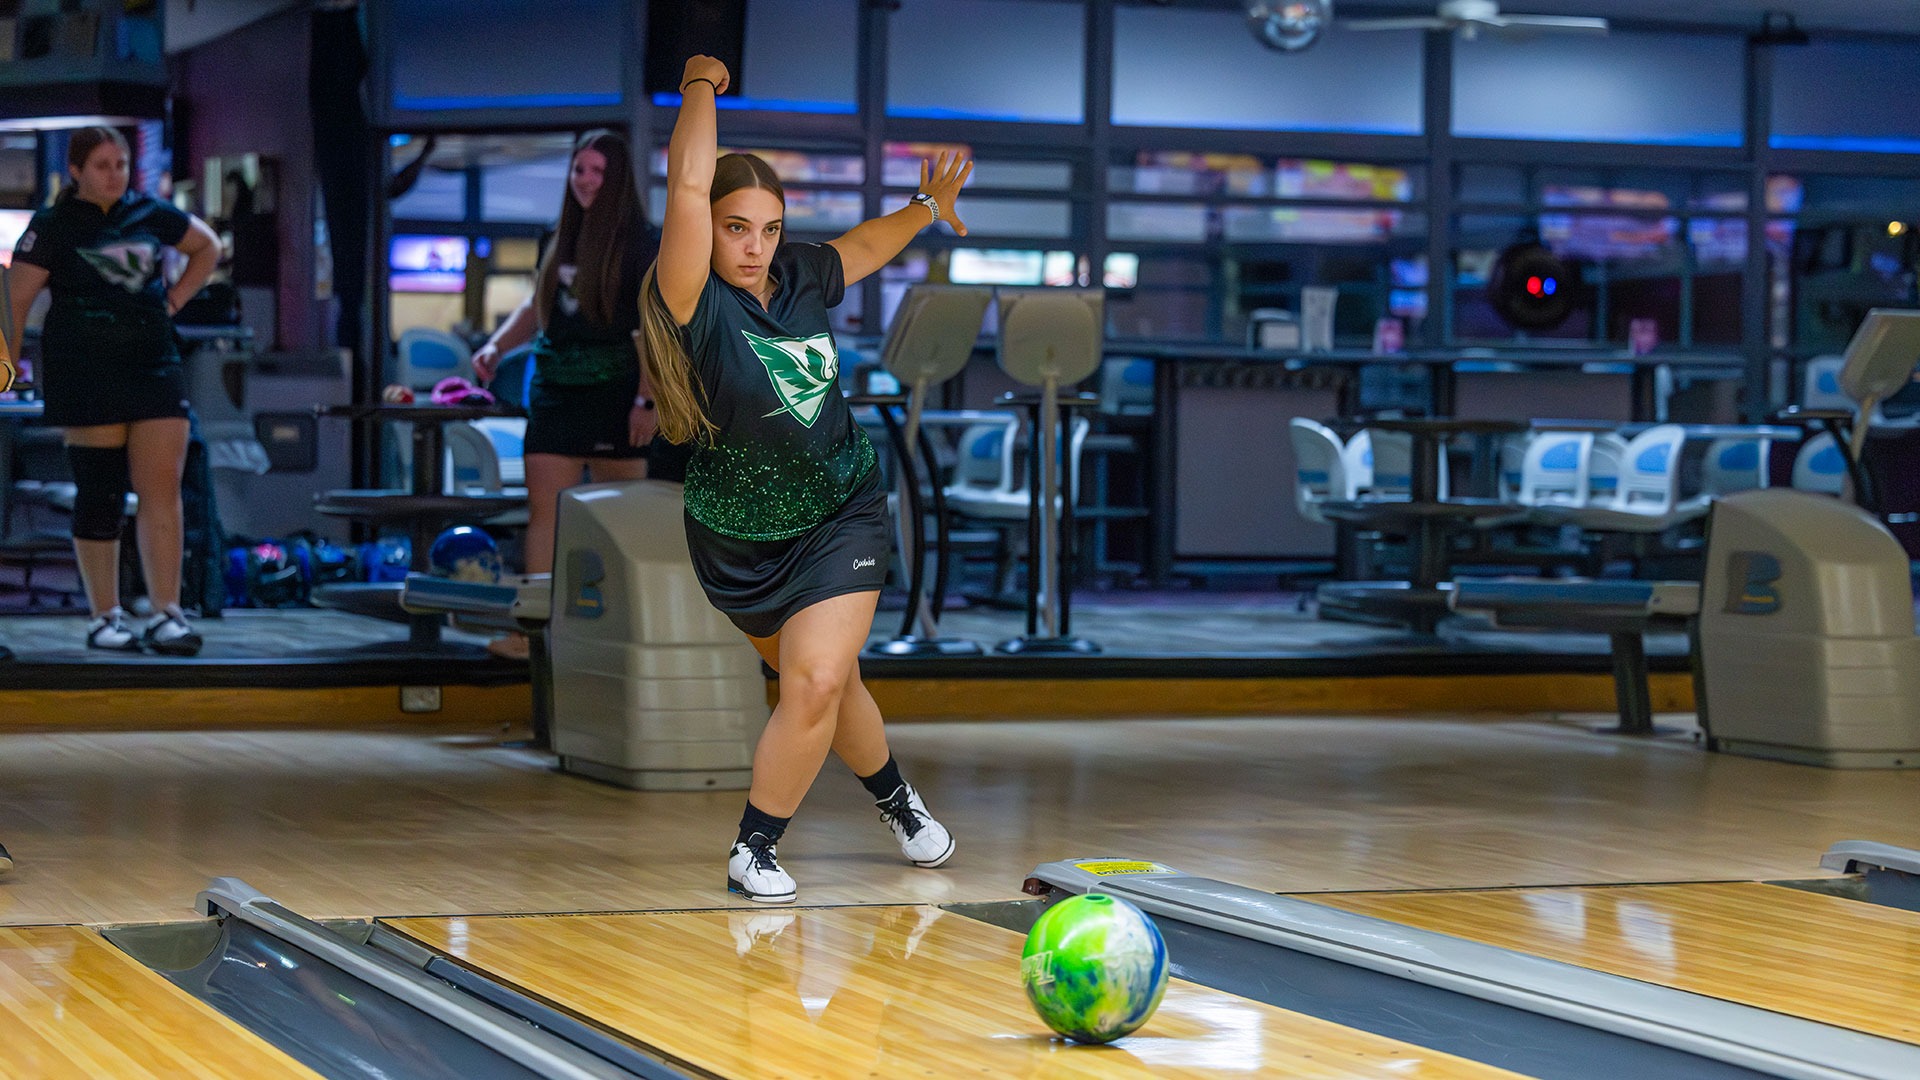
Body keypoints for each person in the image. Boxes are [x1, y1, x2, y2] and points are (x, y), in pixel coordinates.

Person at [639, 56, 973, 904]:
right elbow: (684, 186)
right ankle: (897, 803)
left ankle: (755, 848)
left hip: (841, 509)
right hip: (739, 538)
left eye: (770, 229)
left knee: (817, 678)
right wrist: (701, 86)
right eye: (736, 228)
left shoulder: (799, 280)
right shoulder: (692, 303)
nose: (755, 248)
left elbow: (863, 245)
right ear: (705, 231)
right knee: (823, 684)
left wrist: (927, 209)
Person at [5, 126, 219, 654]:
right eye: (102, 165)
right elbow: (14, 300)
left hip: (153, 363)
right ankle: (106, 617)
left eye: (120, 164)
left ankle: (168, 613)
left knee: (162, 489)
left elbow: (206, 247)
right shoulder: (53, 225)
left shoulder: (149, 212)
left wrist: (172, 302)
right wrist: (7, 365)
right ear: (76, 171)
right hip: (85, 367)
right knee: (100, 493)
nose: (114, 174)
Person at [471, 130, 663, 661]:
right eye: (579, 169)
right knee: (544, 514)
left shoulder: (643, 245)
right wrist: (496, 347)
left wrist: (647, 400)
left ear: (618, 179)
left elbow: (656, 328)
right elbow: (537, 306)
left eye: (597, 171)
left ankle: (623, 633)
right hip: (554, 390)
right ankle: (532, 632)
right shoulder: (557, 238)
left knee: (619, 521)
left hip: (616, 392)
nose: (585, 180)